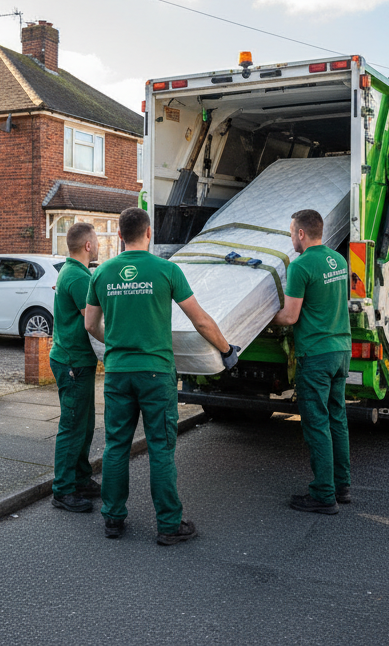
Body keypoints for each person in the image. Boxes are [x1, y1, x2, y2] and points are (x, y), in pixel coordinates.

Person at [84, 207, 239, 545]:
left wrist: (116, 343)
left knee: (115, 447)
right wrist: (227, 351)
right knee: (160, 449)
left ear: (121, 237)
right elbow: (200, 321)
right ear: (149, 233)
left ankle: (112, 518)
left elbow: (90, 325)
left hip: (118, 373)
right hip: (156, 374)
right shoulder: (167, 270)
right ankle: (169, 524)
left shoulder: (102, 273)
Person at [271, 208, 352, 514]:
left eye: (292, 232)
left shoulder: (301, 266)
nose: (291, 237)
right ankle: (341, 486)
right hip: (341, 350)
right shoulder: (338, 260)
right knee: (337, 419)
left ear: (301, 234)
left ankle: (323, 494)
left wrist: (263, 319)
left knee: (316, 423)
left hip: (316, 355)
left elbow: (290, 316)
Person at [49, 222, 102, 514]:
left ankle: (81, 478)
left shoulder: (73, 272)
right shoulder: (78, 277)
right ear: (88, 246)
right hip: (72, 362)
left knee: (84, 423)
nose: (98, 243)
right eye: (96, 239)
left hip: (75, 360)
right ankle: (63, 490)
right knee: (72, 427)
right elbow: (92, 321)